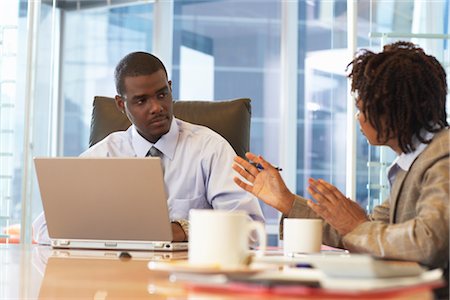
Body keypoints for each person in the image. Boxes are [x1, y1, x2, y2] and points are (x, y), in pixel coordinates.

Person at [233, 41, 449, 285]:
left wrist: (357, 226)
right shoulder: (414, 162)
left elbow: (429, 243)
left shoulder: (443, 160)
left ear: (391, 108)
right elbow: (366, 231)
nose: (359, 117)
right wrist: (287, 202)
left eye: (362, 107)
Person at [34, 52, 264, 243]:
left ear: (170, 89)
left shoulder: (210, 148)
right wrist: (116, 231)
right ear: (121, 104)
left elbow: (251, 228)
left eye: (162, 94)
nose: (156, 107)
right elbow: (44, 229)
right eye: (141, 100)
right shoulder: (104, 155)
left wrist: (184, 231)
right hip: (118, 281)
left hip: (187, 283)